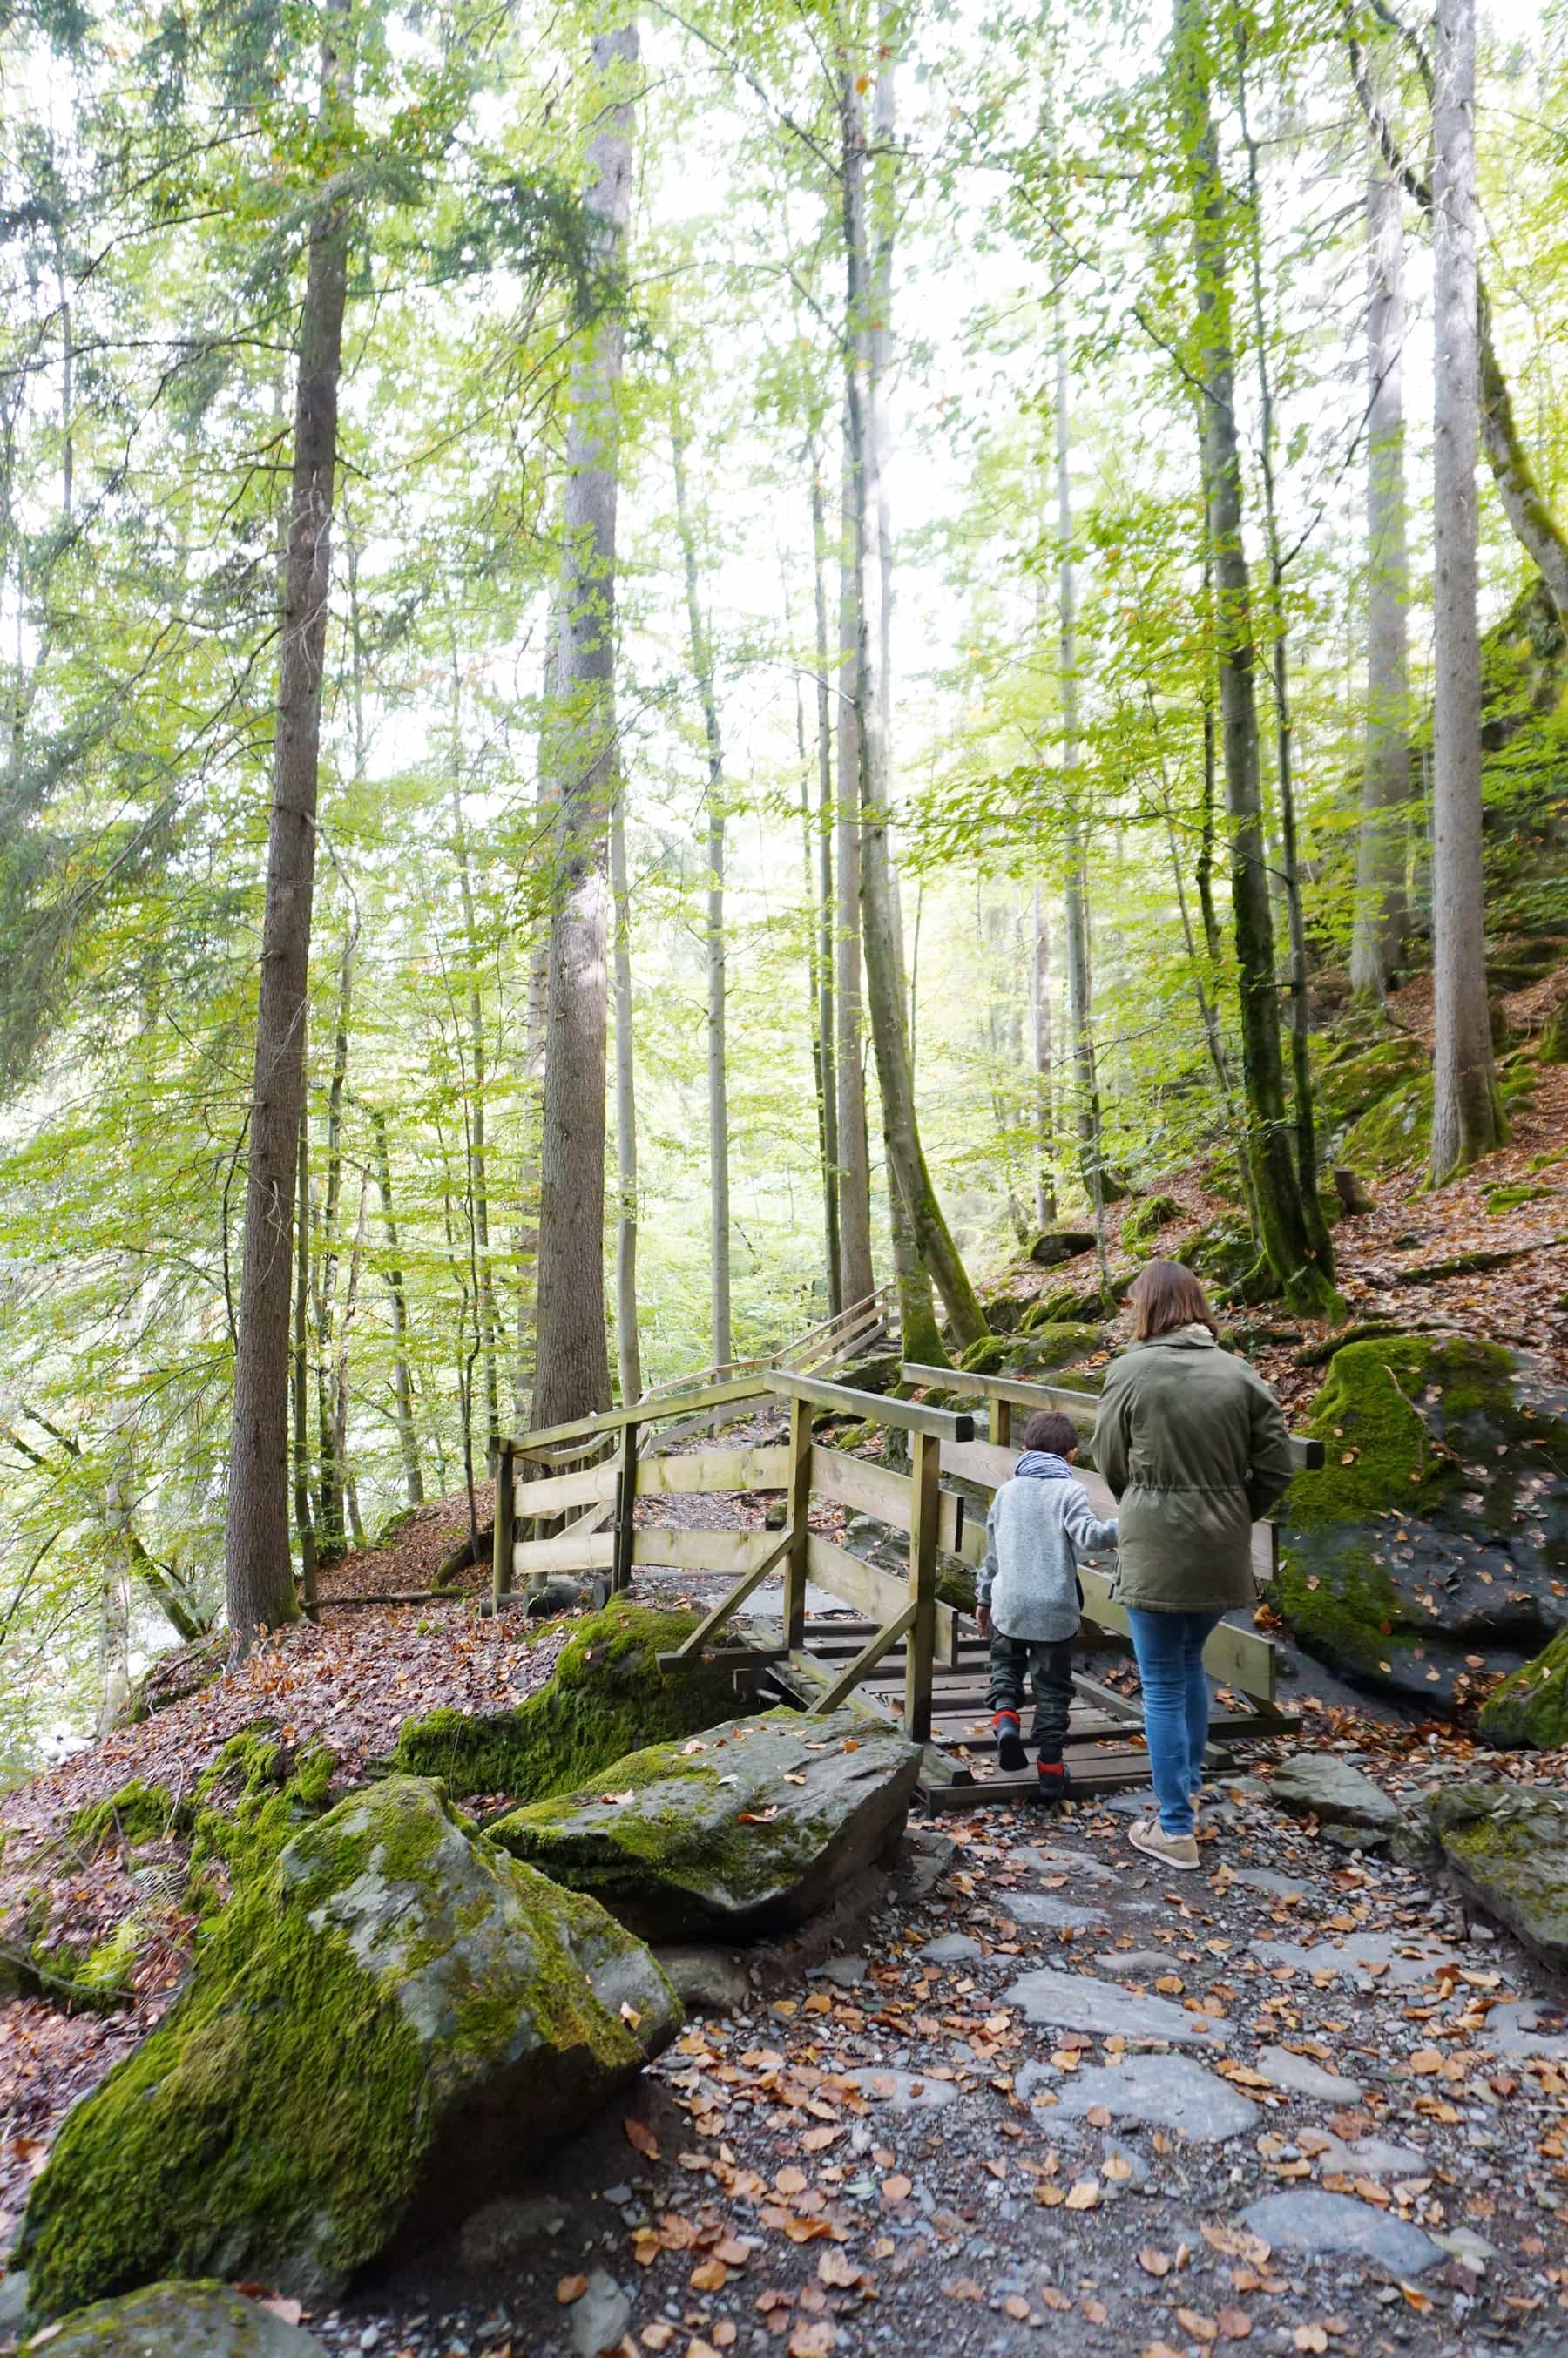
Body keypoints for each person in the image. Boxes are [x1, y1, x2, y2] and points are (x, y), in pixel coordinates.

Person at [1092, 1257, 1293, 1871]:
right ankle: (1190, 1791)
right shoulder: (1240, 1373)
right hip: (1220, 1549)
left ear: (1147, 1307)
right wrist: (1234, 1507)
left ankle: (1176, 1826)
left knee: (1162, 1682)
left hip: (1155, 1548)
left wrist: (1146, 1502)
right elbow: (1277, 1464)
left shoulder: (1129, 1371)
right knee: (1190, 1667)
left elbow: (1110, 1459)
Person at [977, 1409, 1118, 1802]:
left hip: (1009, 1604)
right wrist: (1131, 1526)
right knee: (1053, 1688)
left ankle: (1006, 1718)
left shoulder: (1006, 1492)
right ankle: (1052, 1770)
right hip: (1055, 1608)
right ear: (1072, 1455)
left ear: (1024, 1450)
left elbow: (992, 1555)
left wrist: (983, 1598)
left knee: (1005, 1666)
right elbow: (1091, 1537)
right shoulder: (1069, 1491)